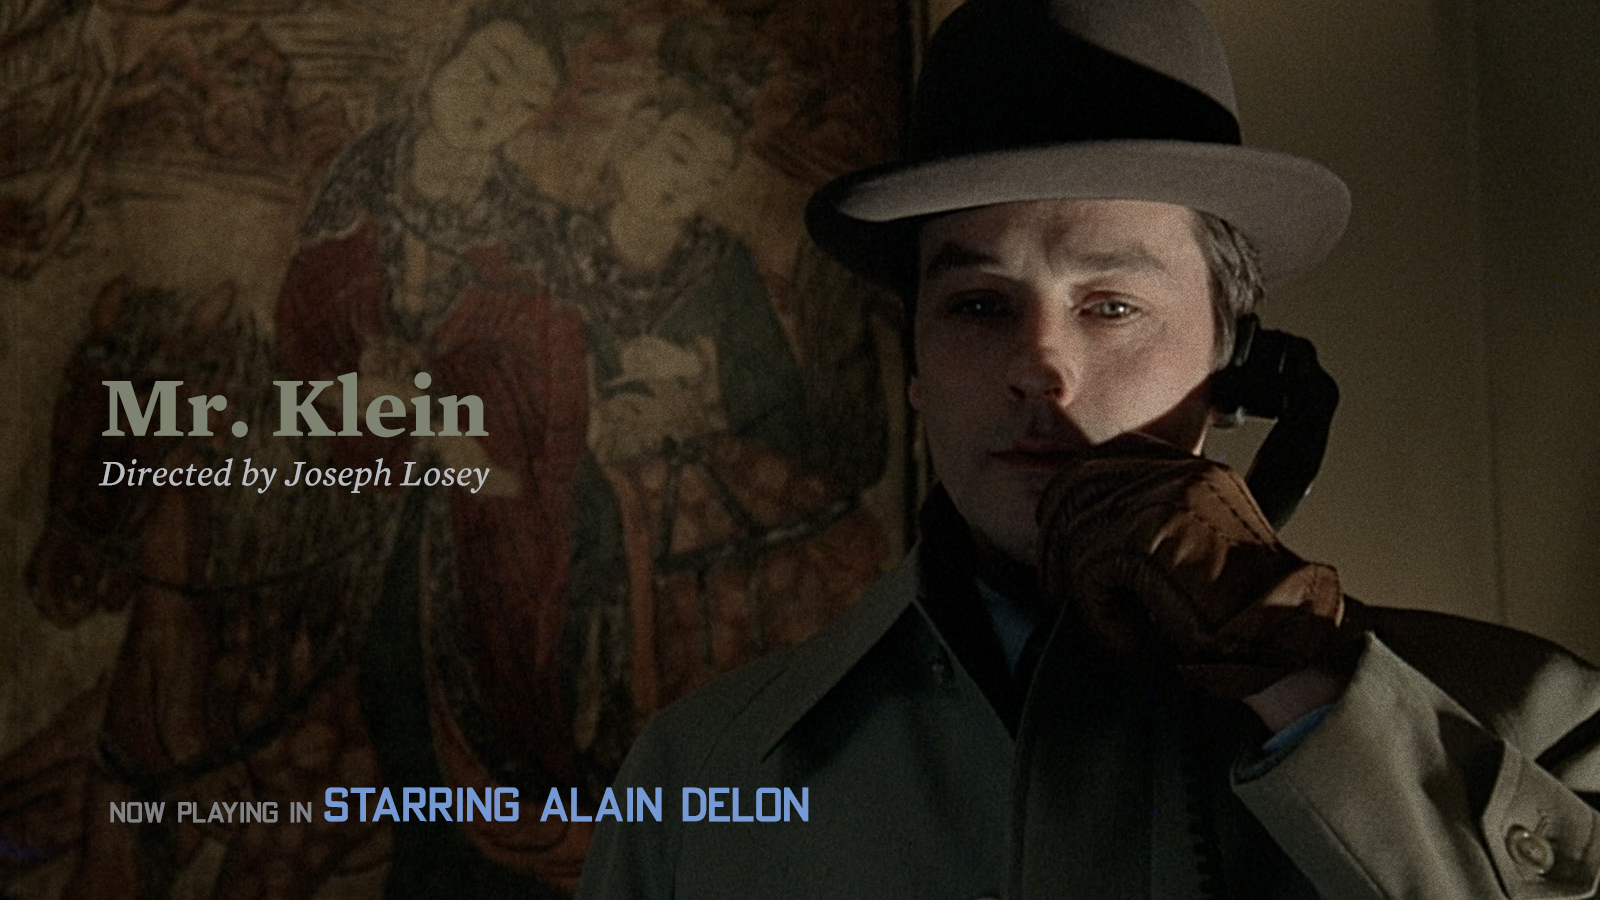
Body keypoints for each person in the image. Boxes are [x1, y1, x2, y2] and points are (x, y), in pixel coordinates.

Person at [575, 1, 1600, 898]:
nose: (1039, 368)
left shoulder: (1536, 721)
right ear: (914, 361)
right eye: (979, 306)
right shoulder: (697, 777)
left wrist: (1295, 672)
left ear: (1233, 361)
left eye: (1110, 306)